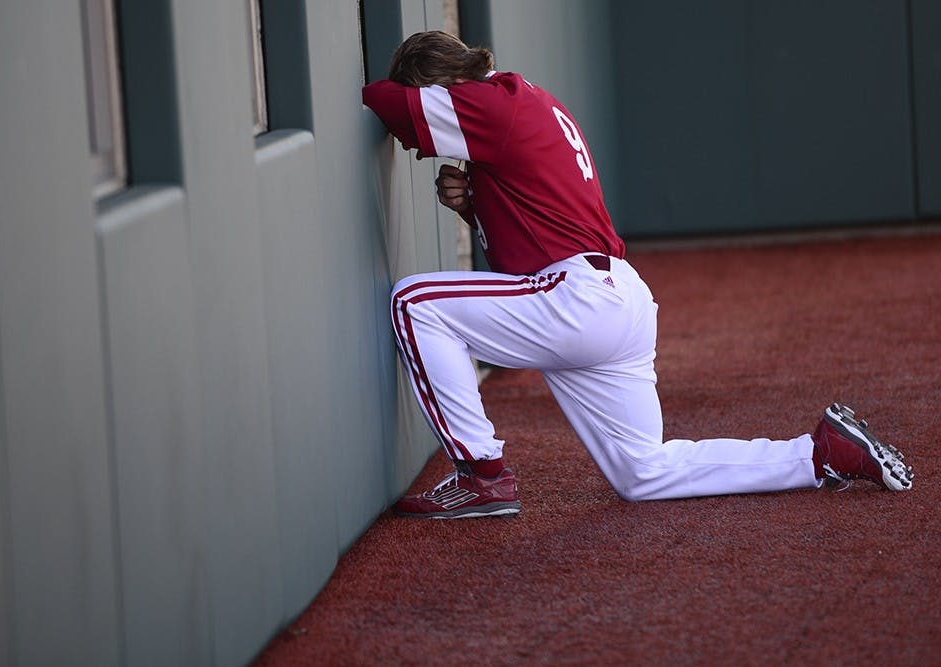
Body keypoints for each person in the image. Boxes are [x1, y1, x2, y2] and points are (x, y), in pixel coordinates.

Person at [361, 31, 913, 519]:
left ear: (450, 83)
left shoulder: (491, 103)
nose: (418, 147)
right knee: (642, 473)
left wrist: (391, 100)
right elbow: (530, 246)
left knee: (416, 300)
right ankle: (819, 455)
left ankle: (481, 475)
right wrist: (473, 206)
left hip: (582, 297)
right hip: (612, 297)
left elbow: (383, 102)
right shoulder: (522, 102)